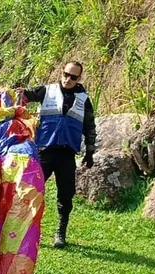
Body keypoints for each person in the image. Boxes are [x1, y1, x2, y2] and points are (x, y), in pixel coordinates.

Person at [21, 61, 98, 248]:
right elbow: (25, 95)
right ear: (61, 73)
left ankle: (60, 233)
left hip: (67, 154)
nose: (67, 79)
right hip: (44, 151)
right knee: (29, 191)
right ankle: (22, 231)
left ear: (79, 78)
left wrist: (90, 152)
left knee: (66, 195)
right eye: (65, 74)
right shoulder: (47, 91)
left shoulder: (84, 99)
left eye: (73, 77)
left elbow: (89, 127)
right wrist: (11, 95)